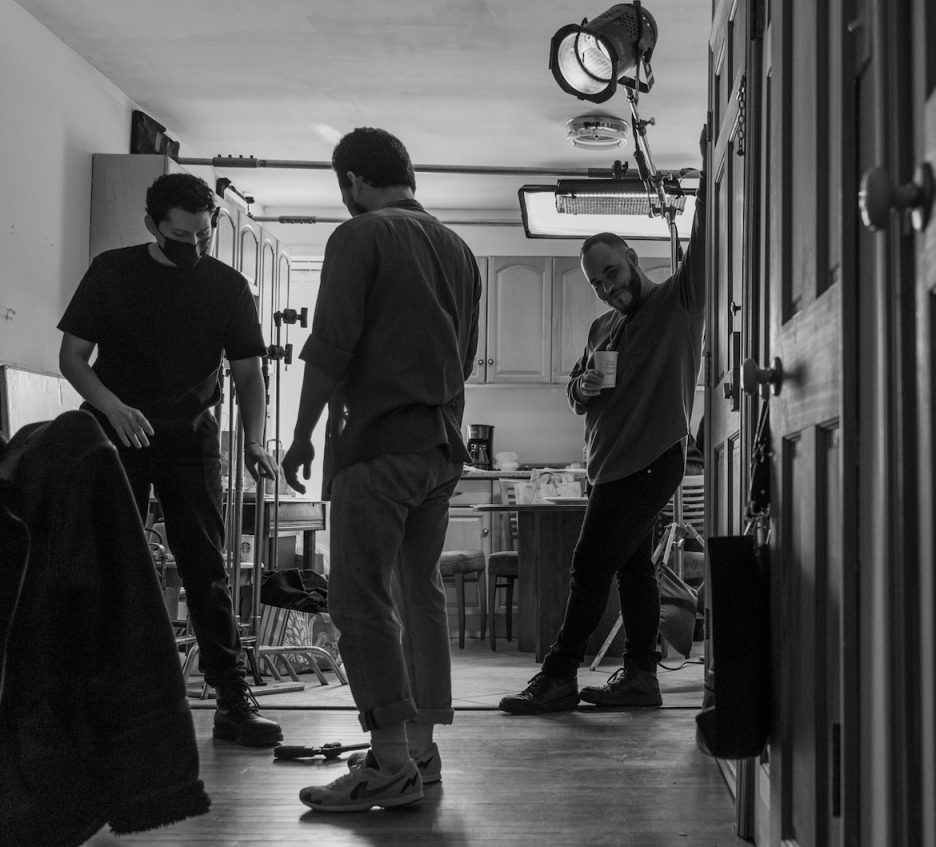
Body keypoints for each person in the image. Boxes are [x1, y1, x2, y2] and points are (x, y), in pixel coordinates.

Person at [280, 127, 482, 813]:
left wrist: (302, 433)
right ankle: (420, 754)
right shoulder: (460, 250)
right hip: (439, 448)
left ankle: (388, 763)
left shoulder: (359, 236)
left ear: (353, 181)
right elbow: (464, 353)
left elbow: (332, 343)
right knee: (417, 592)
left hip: (378, 443)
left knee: (359, 598)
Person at [58, 172, 283, 747]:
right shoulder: (112, 271)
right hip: (115, 433)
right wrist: (113, 406)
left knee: (206, 569)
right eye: (181, 236)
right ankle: (102, 703)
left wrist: (254, 439)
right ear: (151, 225)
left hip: (190, 439)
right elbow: (74, 356)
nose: (195, 247)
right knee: (110, 563)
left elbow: (249, 372)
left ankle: (232, 701)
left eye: (204, 236)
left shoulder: (227, 286)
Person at [499, 127, 707, 715]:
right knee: (632, 567)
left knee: (590, 562)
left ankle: (560, 672)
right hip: (608, 466)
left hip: (651, 459)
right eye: (597, 282)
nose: (607, 287)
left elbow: (708, 238)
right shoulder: (601, 329)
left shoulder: (677, 302)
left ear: (633, 259)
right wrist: (581, 387)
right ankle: (642, 676)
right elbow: (576, 392)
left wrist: (708, 163)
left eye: (612, 273)